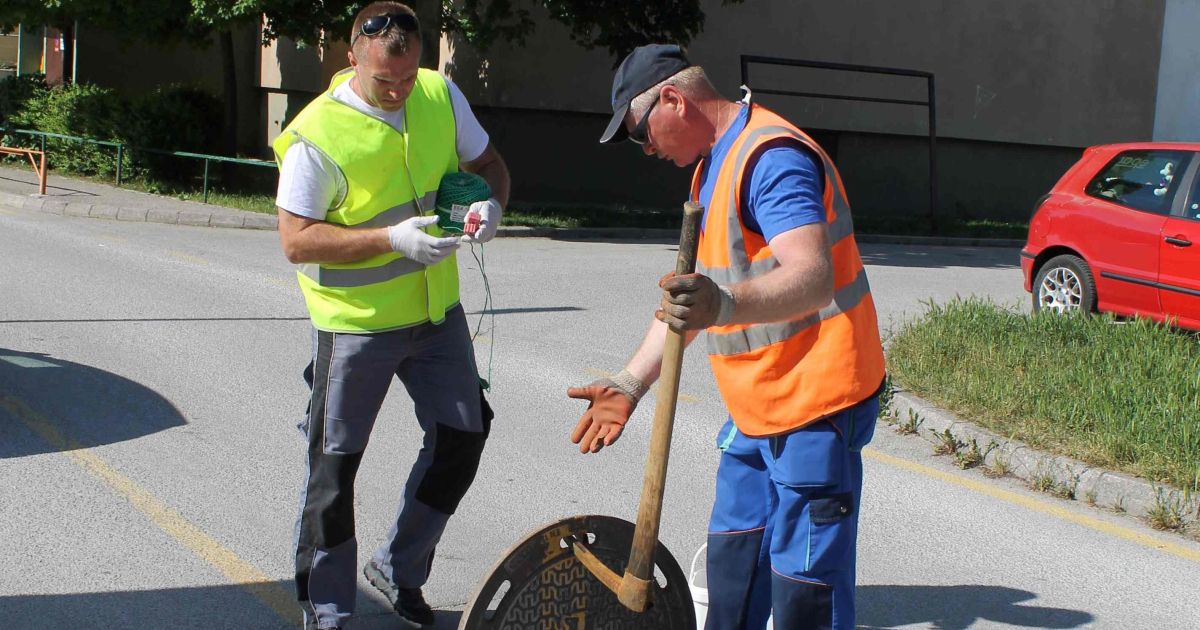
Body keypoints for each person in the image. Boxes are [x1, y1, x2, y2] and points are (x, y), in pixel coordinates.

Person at [568, 44, 885, 630]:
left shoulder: (770, 158)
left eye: (641, 132)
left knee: (804, 591)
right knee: (734, 560)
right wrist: (630, 384)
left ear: (673, 99)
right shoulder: (713, 166)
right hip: (757, 405)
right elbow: (689, 301)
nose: (646, 149)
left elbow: (811, 275)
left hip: (815, 401)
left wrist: (725, 304)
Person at [272, 3, 510, 629]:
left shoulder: (438, 93)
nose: (399, 91)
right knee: (334, 469)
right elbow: (296, 240)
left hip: (437, 317)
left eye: (407, 77)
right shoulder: (317, 134)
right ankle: (327, 612)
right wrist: (389, 240)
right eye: (385, 81)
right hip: (355, 325)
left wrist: (492, 208)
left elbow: (490, 168)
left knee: (463, 437)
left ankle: (397, 569)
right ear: (352, 56)